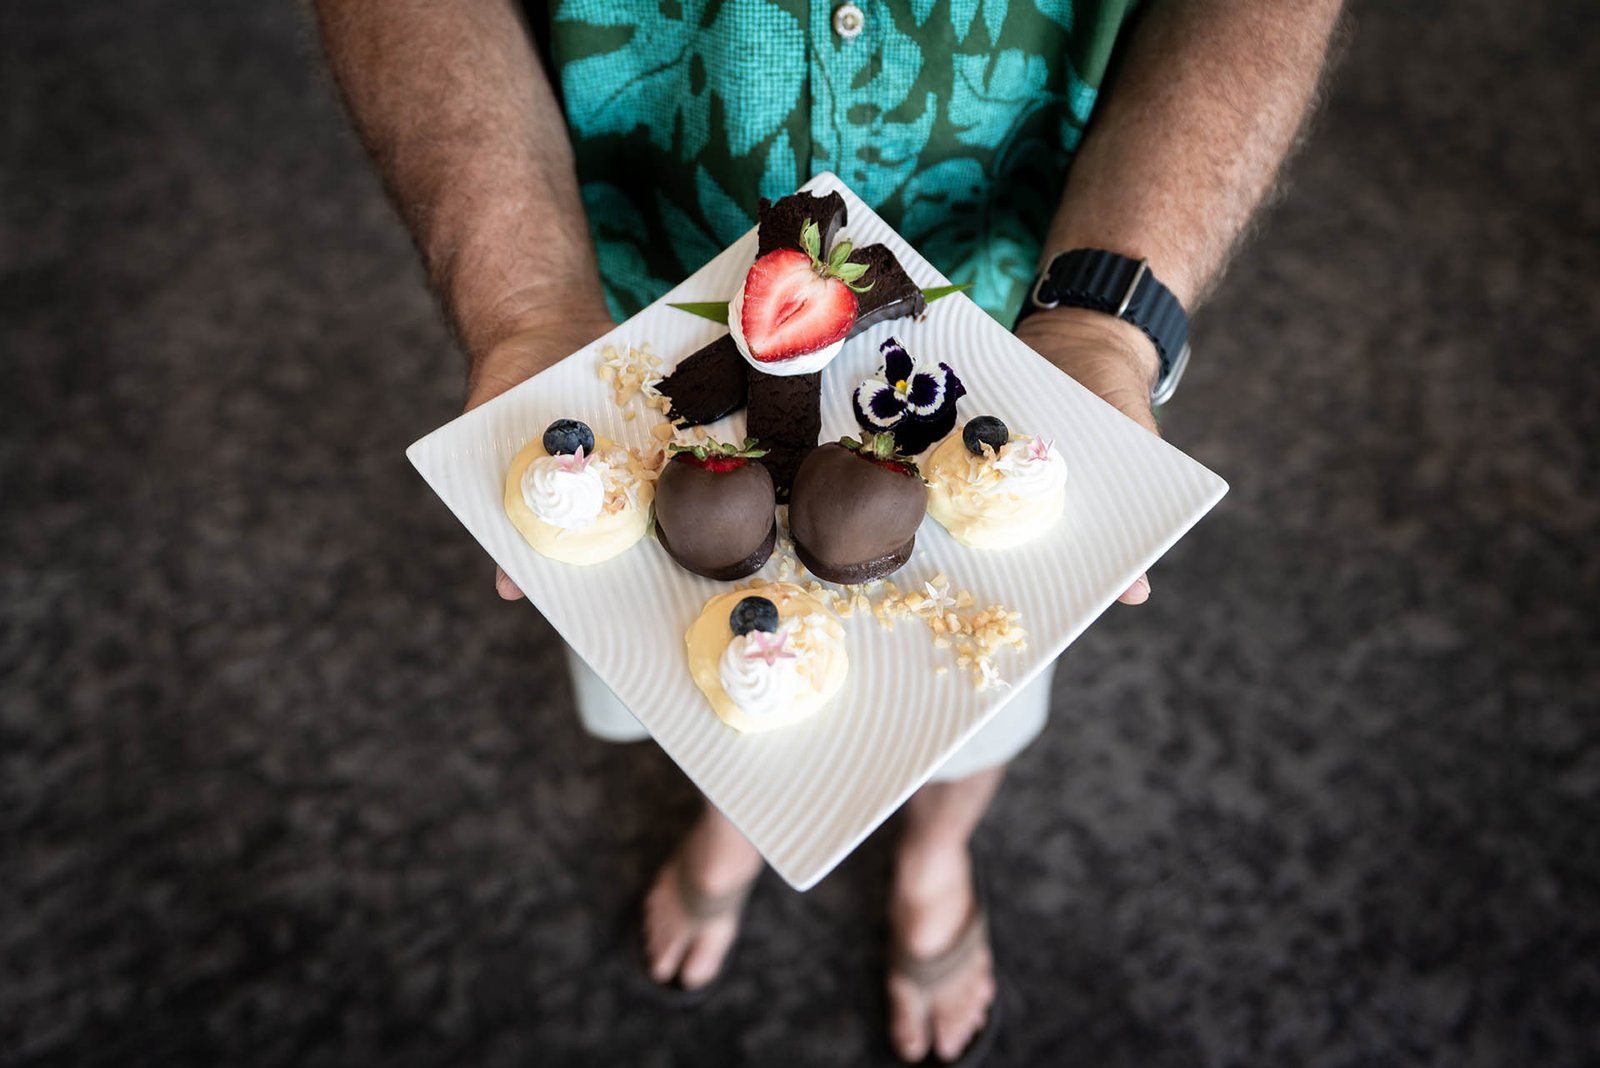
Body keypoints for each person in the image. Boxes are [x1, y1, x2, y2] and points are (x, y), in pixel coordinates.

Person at [314, 1, 1343, 1061]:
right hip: (624, 325)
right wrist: (526, 304)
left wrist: (1104, 321)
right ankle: (740, 809)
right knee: (683, 657)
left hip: (1000, 340)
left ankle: (936, 851)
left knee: (976, 685)